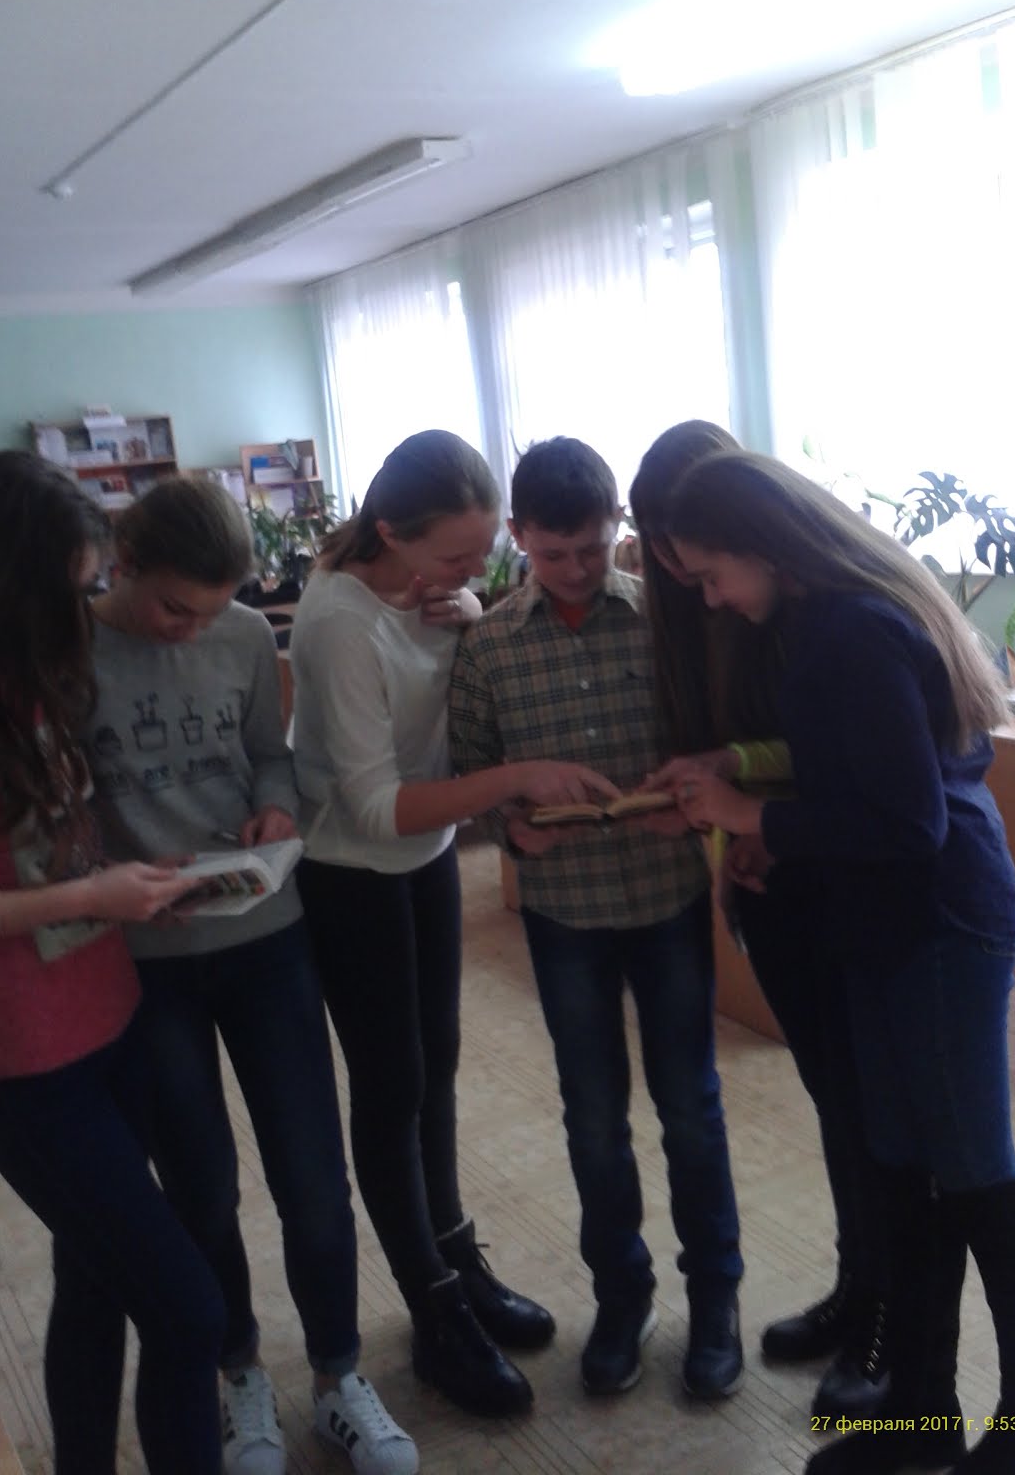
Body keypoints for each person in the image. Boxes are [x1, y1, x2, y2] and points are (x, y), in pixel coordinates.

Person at [662, 449, 1015, 1475]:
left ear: (764, 546)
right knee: (901, 1168)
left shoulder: (852, 629)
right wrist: (773, 826)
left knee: (975, 1173)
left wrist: (752, 815)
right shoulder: (826, 620)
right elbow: (862, 781)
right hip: (884, 924)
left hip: (940, 926)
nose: (711, 599)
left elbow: (905, 821)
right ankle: (922, 1410)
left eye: (713, 575)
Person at [0, 450, 225, 1475]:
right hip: (17, 1063)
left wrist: (133, 881)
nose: (84, 608)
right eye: (71, 588)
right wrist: (84, 898)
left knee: (96, 1282)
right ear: (3, 583)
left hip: (109, 1019)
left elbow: (49, 846)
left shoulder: (28, 678)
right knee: (189, 1310)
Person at [84, 477, 418, 1475]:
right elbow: (54, 813)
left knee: (313, 1177)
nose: (192, 629)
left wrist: (275, 810)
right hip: (149, 961)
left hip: (266, 935)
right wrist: (109, 878)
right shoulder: (65, 652)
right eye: (173, 608)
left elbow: (272, 760)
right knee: (200, 1187)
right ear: (122, 565)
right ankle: (237, 1375)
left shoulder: (240, 636)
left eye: (212, 608)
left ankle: (338, 1376)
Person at [290, 429, 617, 1419]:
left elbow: (439, 678)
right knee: (391, 1085)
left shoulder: (433, 591)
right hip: (351, 870)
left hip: (425, 860)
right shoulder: (337, 621)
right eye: (458, 557)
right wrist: (516, 779)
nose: (475, 573)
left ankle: (454, 1255)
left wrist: (468, 610)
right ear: (391, 532)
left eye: (485, 555)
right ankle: (434, 1309)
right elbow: (374, 806)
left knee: (437, 1067)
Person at [447, 436, 744, 1401]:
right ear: (518, 536)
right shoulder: (491, 643)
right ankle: (623, 1297)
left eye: (591, 547)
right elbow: (470, 771)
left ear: (618, 525)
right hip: (564, 912)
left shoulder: (664, 617)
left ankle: (716, 1301)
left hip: (664, 896)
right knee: (592, 1119)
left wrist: (688, 799)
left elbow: (714, 739)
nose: (576, 569)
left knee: (691, 1108)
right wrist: (507, 825)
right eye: (553, 553)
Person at [631, 422, 891, 1422]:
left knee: (872, 1111)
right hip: (769, 879)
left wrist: (750, 803)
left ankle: (884, 1320)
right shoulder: (695, 602)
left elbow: (835, 757)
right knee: (833, 1097)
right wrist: (728, 834)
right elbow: (720, 749)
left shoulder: (821, 607)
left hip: (838, 876)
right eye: (665, 553)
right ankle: (856, 1285)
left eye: (695, 558)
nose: (682, 577)